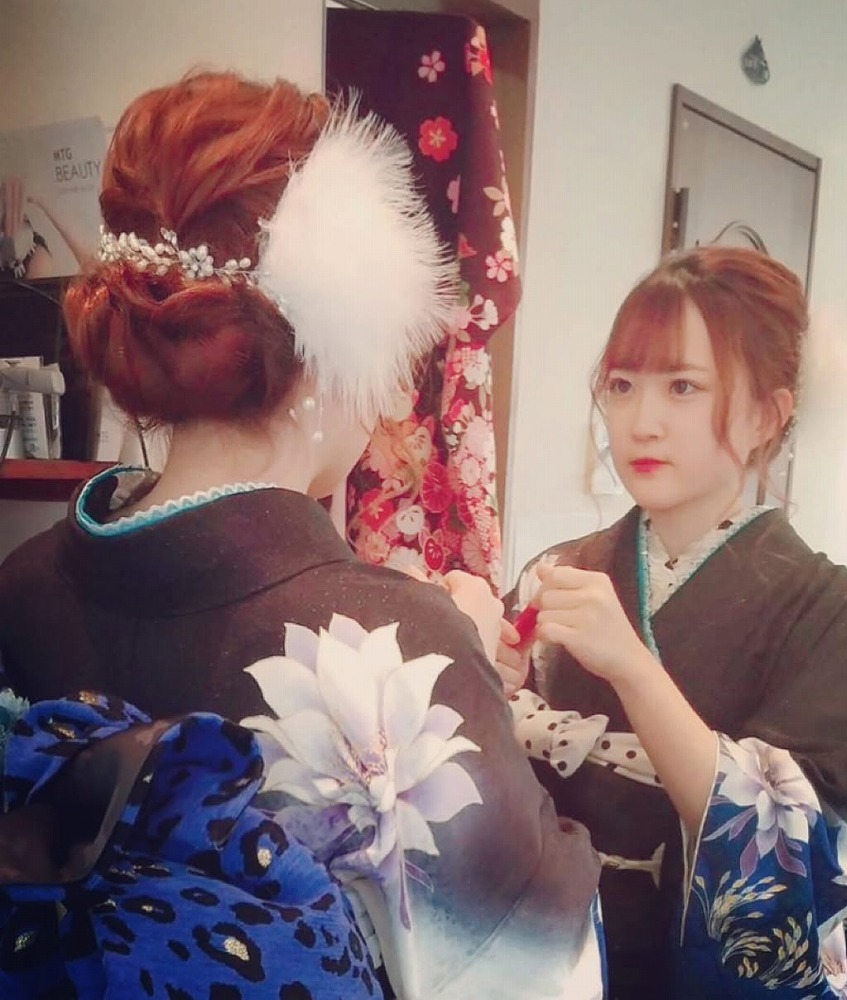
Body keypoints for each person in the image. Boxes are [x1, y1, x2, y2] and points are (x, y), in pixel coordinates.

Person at [0, 72, 605, 998]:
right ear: (330, 347)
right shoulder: (398, 652)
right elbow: (535, 972)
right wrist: (463, 666)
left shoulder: (23, 582)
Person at [496, 246, 847, 999]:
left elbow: (826, 853)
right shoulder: (560, 571)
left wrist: (633, 668)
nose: (642, 423)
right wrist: (478, 677)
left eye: (683, 386)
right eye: (622, 386)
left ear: (767, 414)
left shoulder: (829, 607)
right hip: (556, 965)